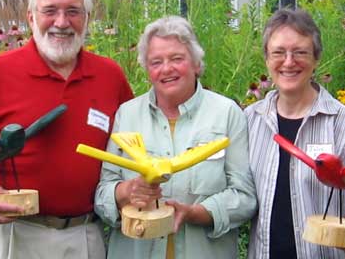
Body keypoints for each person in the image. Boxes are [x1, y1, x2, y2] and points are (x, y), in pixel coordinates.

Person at [0, 0, 133, 258]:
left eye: (73, 12)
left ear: (87, 18)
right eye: (50, 11)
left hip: (84, 235)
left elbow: (134, 145)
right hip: (11, 235)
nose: (62, 22)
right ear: (30, 18)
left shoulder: (109, 76)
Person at [95, 16, 257, 259]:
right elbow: (101, 195)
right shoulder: (127, 115)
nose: (166, 69)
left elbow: (244, 197)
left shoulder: (226, 114)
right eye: (156, 62)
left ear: (196, 63)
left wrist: (194, 212)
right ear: (147, 70)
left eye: (177, 59)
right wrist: (126, 191)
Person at [245, 9, 345, 258]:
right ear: (267, 59)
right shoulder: (251, 120)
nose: (289, 62)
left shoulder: (342, 122)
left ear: (316, 58)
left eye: (300, 52)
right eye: (279, 52)